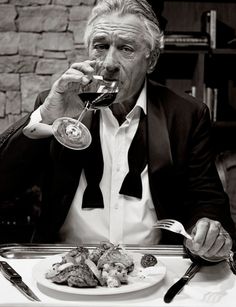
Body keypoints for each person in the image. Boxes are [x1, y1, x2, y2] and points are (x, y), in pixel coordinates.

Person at [0, 0, 235, 263]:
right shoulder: (58, 104)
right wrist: (45, 116)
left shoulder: (187, 115)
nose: (109, 63)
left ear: (152, 59)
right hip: (63, 265)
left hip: (154, 269)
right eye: (100, 46)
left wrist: (208, 228)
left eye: (126, 48)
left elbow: (208, 201)